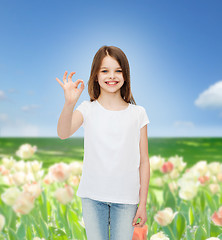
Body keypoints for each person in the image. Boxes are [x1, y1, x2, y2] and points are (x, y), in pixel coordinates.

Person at [56, 45, 150, 240]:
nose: (112, 76)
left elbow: (144, 161)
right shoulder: (87, 109)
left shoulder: (138, 113)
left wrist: (142, 203)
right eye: (105, 71)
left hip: (127, 199)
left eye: (118, 71)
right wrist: (69, 103)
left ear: (125, 75)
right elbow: (63, 133)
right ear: (96, 76)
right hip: (92, 196)